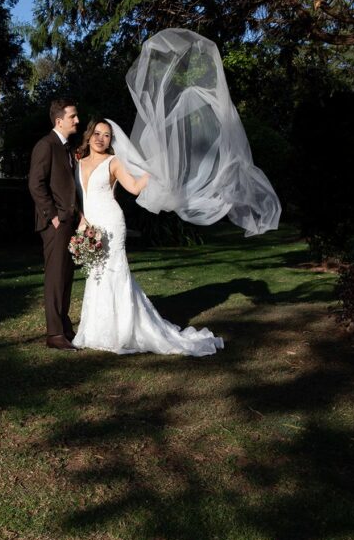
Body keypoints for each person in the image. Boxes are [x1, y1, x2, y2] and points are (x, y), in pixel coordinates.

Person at [71, 118, 224, 356]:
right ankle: (95, 330)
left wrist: (154, 172)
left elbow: (132, 187)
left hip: (111, 224)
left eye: (107, 135)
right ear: (89, 135)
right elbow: (78, 196)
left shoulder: (114, 161)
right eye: (97, 133)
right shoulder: (78, 161)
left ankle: (122, 331)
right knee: (97, 273)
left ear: (111, 140)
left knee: (114, 272)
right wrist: (81, 219)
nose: (101, 138)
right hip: (89, 224)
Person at [28, 97, 81, 350]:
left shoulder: (68, 147)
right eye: (73, 117)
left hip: (69, 221)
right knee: (55, 277)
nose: (77, 120)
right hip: (55, 225)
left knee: (66, 276)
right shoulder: (46, 145)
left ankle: (64, 327)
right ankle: (54, 334)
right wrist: (54, 217)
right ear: (59, 121)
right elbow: (35, 184)